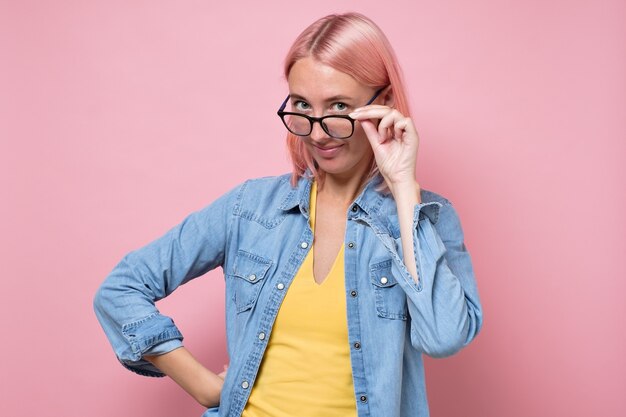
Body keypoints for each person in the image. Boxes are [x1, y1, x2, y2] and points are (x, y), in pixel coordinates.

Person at [94, 12, 482, 417]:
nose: (316, 133)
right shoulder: (250, 209)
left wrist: (403, 187)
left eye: (338, 106)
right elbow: (121, 288)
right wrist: (205, 386)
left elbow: (443, 337)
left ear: (382, 104)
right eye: (301, 105)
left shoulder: (426, 219)